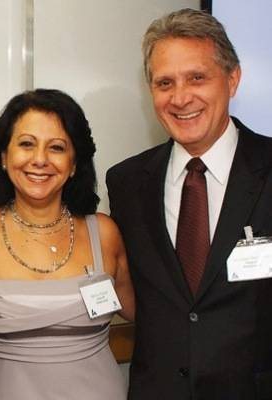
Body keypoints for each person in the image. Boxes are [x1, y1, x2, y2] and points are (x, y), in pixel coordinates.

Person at [107, 8, 272, 399]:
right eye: (165, 83)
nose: (180, 98)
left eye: (197, 77)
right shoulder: (127, 182)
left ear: (232, 79)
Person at [0, 89, 134, 399]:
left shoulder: (104, 233)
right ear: (2, 156)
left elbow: (159, 317)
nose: (39, 160)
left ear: (74, 163)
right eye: (26, 144)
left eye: (56, 147)